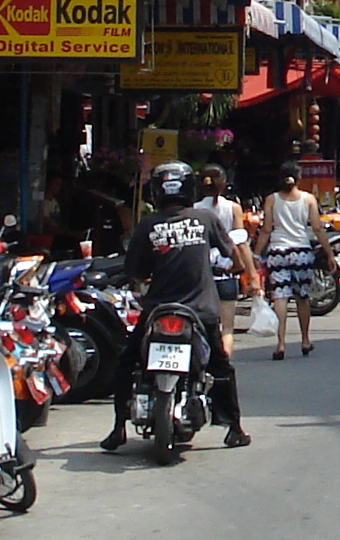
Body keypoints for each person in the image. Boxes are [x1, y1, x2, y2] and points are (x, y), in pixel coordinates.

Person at [99, 161, 256, 452]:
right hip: (201, 309)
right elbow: (231, 253)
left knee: (126, 363)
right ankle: (234, 428)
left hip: (158, 309)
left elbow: (134, 270)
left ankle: (119, 427)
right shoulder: (205, 219)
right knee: (220, 367)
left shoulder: (148, 224)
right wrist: (237, 269)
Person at [255, 172, 327, 360]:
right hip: (301, 252)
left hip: (278, 251)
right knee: (302, 296)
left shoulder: (271, 199)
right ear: (298, 178)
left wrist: (255, 253)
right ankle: (304, 340)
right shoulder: (308, 199)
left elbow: (266, 229)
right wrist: (330, 252)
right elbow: (317, 228)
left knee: (280, 297)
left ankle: (280, 344)